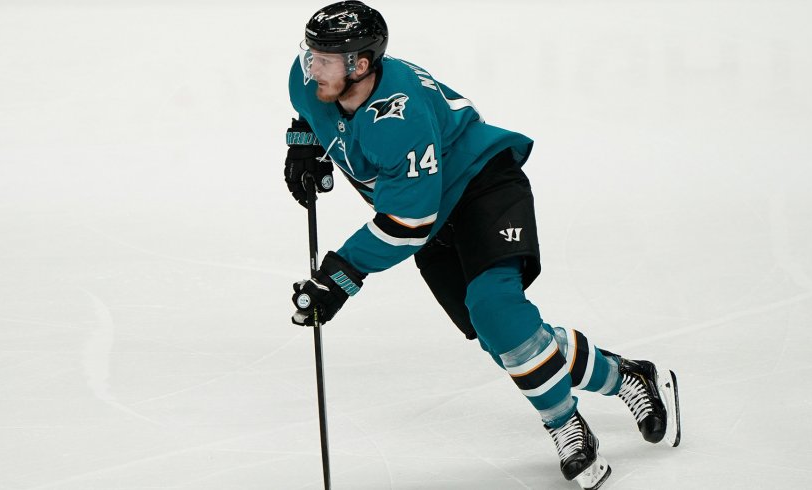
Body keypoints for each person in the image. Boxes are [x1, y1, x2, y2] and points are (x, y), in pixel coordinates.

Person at [283, 2, 681, 488]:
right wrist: (303, 143)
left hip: (481, 186)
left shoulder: (398, 117)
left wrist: (340, 276)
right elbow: (308, 109)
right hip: (428, 210)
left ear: (360, 65)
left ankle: (566, 426)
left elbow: (408, 223)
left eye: (324, 58)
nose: (310, 65)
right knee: (505, 337)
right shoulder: (309, 78)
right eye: (310, 52)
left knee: (496, 308)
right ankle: (627, 376)